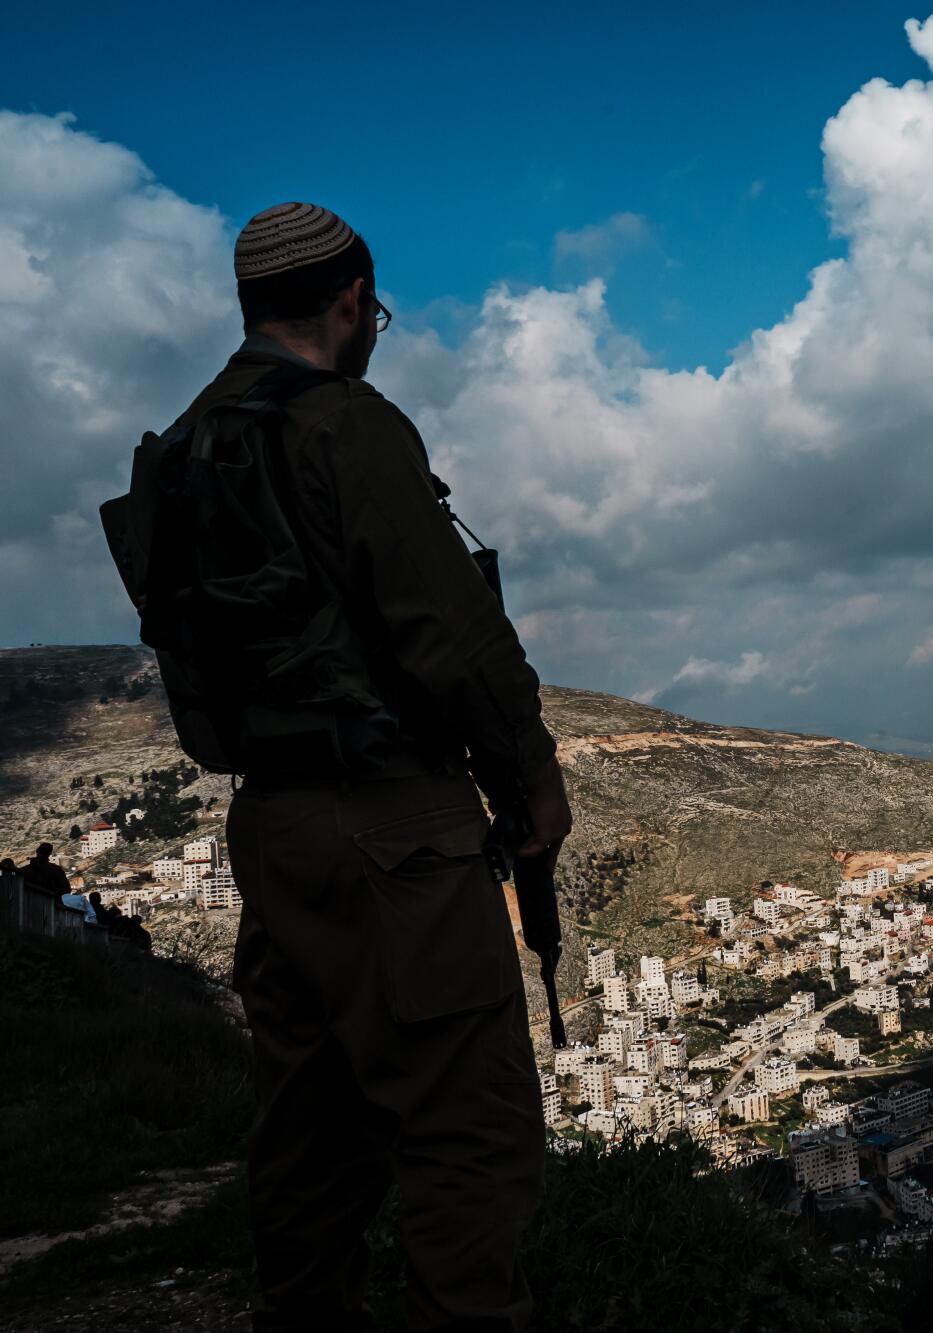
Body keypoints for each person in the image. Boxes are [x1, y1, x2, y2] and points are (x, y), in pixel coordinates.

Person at [130, 203, 572, 1331]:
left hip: (273, 829)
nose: (372, 328)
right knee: (465, 1132)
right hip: (394, 829)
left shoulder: (182, 447)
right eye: (370, 310)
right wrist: (530, 777)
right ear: (348, 302)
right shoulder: (344, 426)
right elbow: (451, 634)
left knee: (309, 1123)